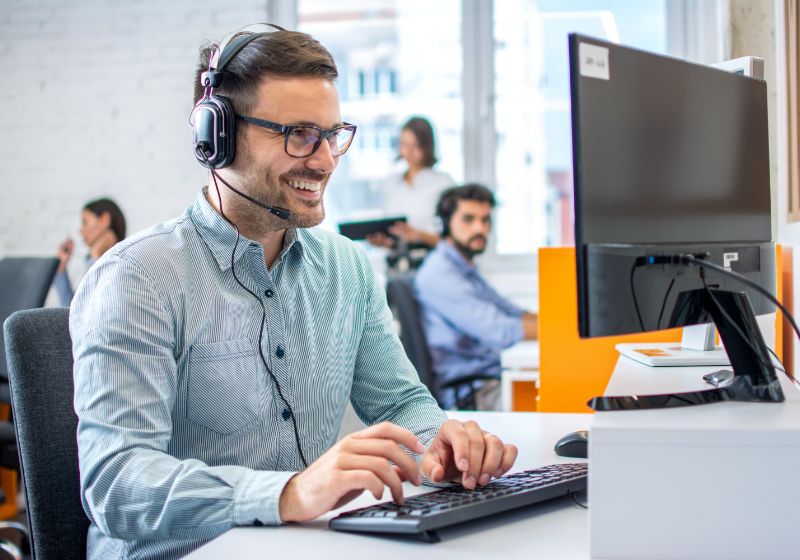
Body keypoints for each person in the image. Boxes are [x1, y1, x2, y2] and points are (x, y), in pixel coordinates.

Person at [71, 25, 517, 560]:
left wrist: (443, 446)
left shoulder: (347, 269)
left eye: (333, 134)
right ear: (219, 137)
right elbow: (116, 480)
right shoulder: (138, 278)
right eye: (299, 134)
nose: (327, 160)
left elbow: (401, 404)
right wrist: (290, 492)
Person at [414, 184, 538, 409]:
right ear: (444, 224)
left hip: (489, 378)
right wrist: (565, 329)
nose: (480, 228)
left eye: (485, 220)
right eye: (468, 219)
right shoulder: (439, 273)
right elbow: (500, 331)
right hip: (474, 392)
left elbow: (510, 311)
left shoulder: (463, 267)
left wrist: (558, 321)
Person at [367, 116, 453, 249]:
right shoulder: (391, 184)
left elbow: (454, 241)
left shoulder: (443, 184)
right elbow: (392, 234)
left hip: (430, 260)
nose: (408, 152)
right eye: (404, 144)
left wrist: (419, 235)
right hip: (397, 263)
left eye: (415, 146)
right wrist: (385, 242)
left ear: (427, 147)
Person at [52, 198, 126, 307]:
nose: (80, 230)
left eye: (85, 222)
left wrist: (95, 257)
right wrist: (61, 267)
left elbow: (88, 308)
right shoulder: (90, 260)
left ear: (104, 219)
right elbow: (71, 312)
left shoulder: (122, 262)